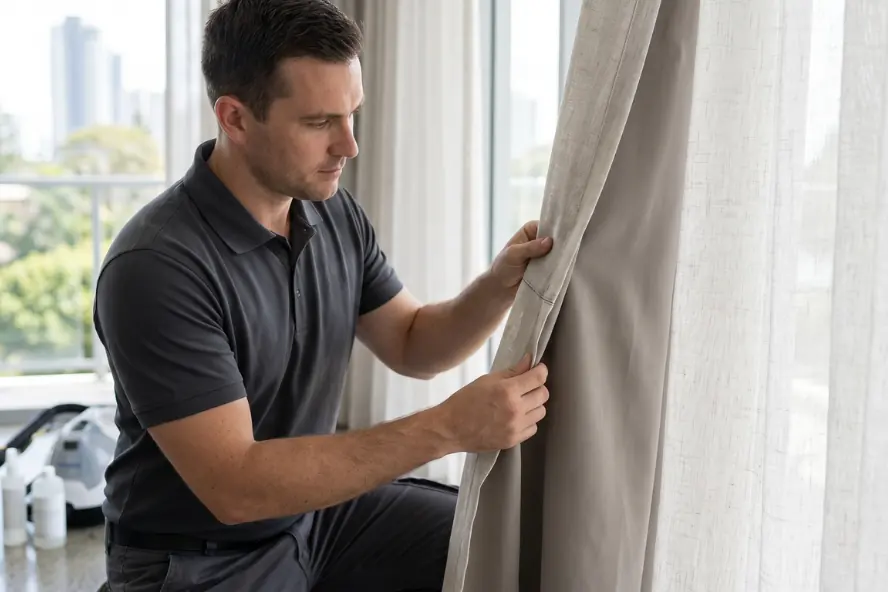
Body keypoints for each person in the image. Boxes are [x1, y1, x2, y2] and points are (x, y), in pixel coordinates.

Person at [95, 0, 552, 590]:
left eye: (352, 115)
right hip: (196, 556)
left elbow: (413, 343)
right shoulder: (156, 266)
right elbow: (236, 484)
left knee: (498, 541)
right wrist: (448, 427)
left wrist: (499, 285)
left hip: (313, 522)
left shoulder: (329, 209)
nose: (349, 146)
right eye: (319, 123)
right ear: (234, 118)